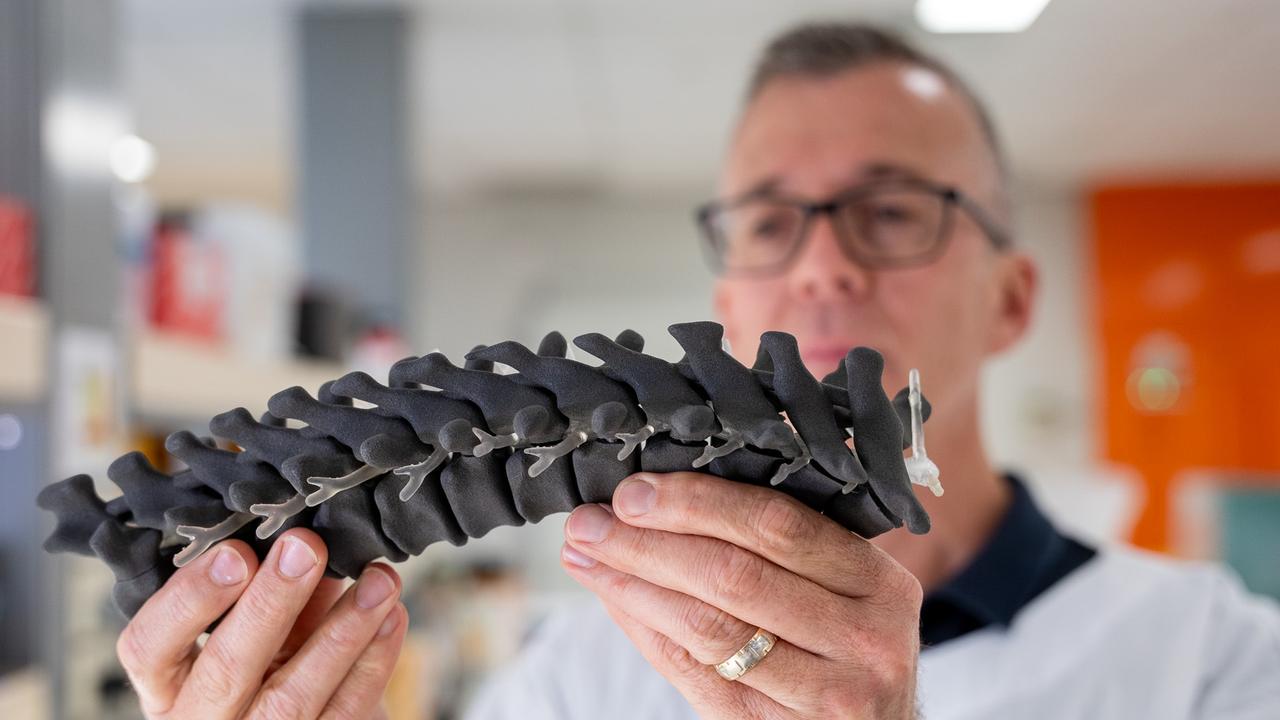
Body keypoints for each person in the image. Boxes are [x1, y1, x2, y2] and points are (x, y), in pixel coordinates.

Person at [111, 21, 1280, 720]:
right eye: (771, 224)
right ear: (729, 304)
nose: (821, 266)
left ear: (1012, 297)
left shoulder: (1219, 661)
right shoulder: (573, 677)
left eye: (890, 211)